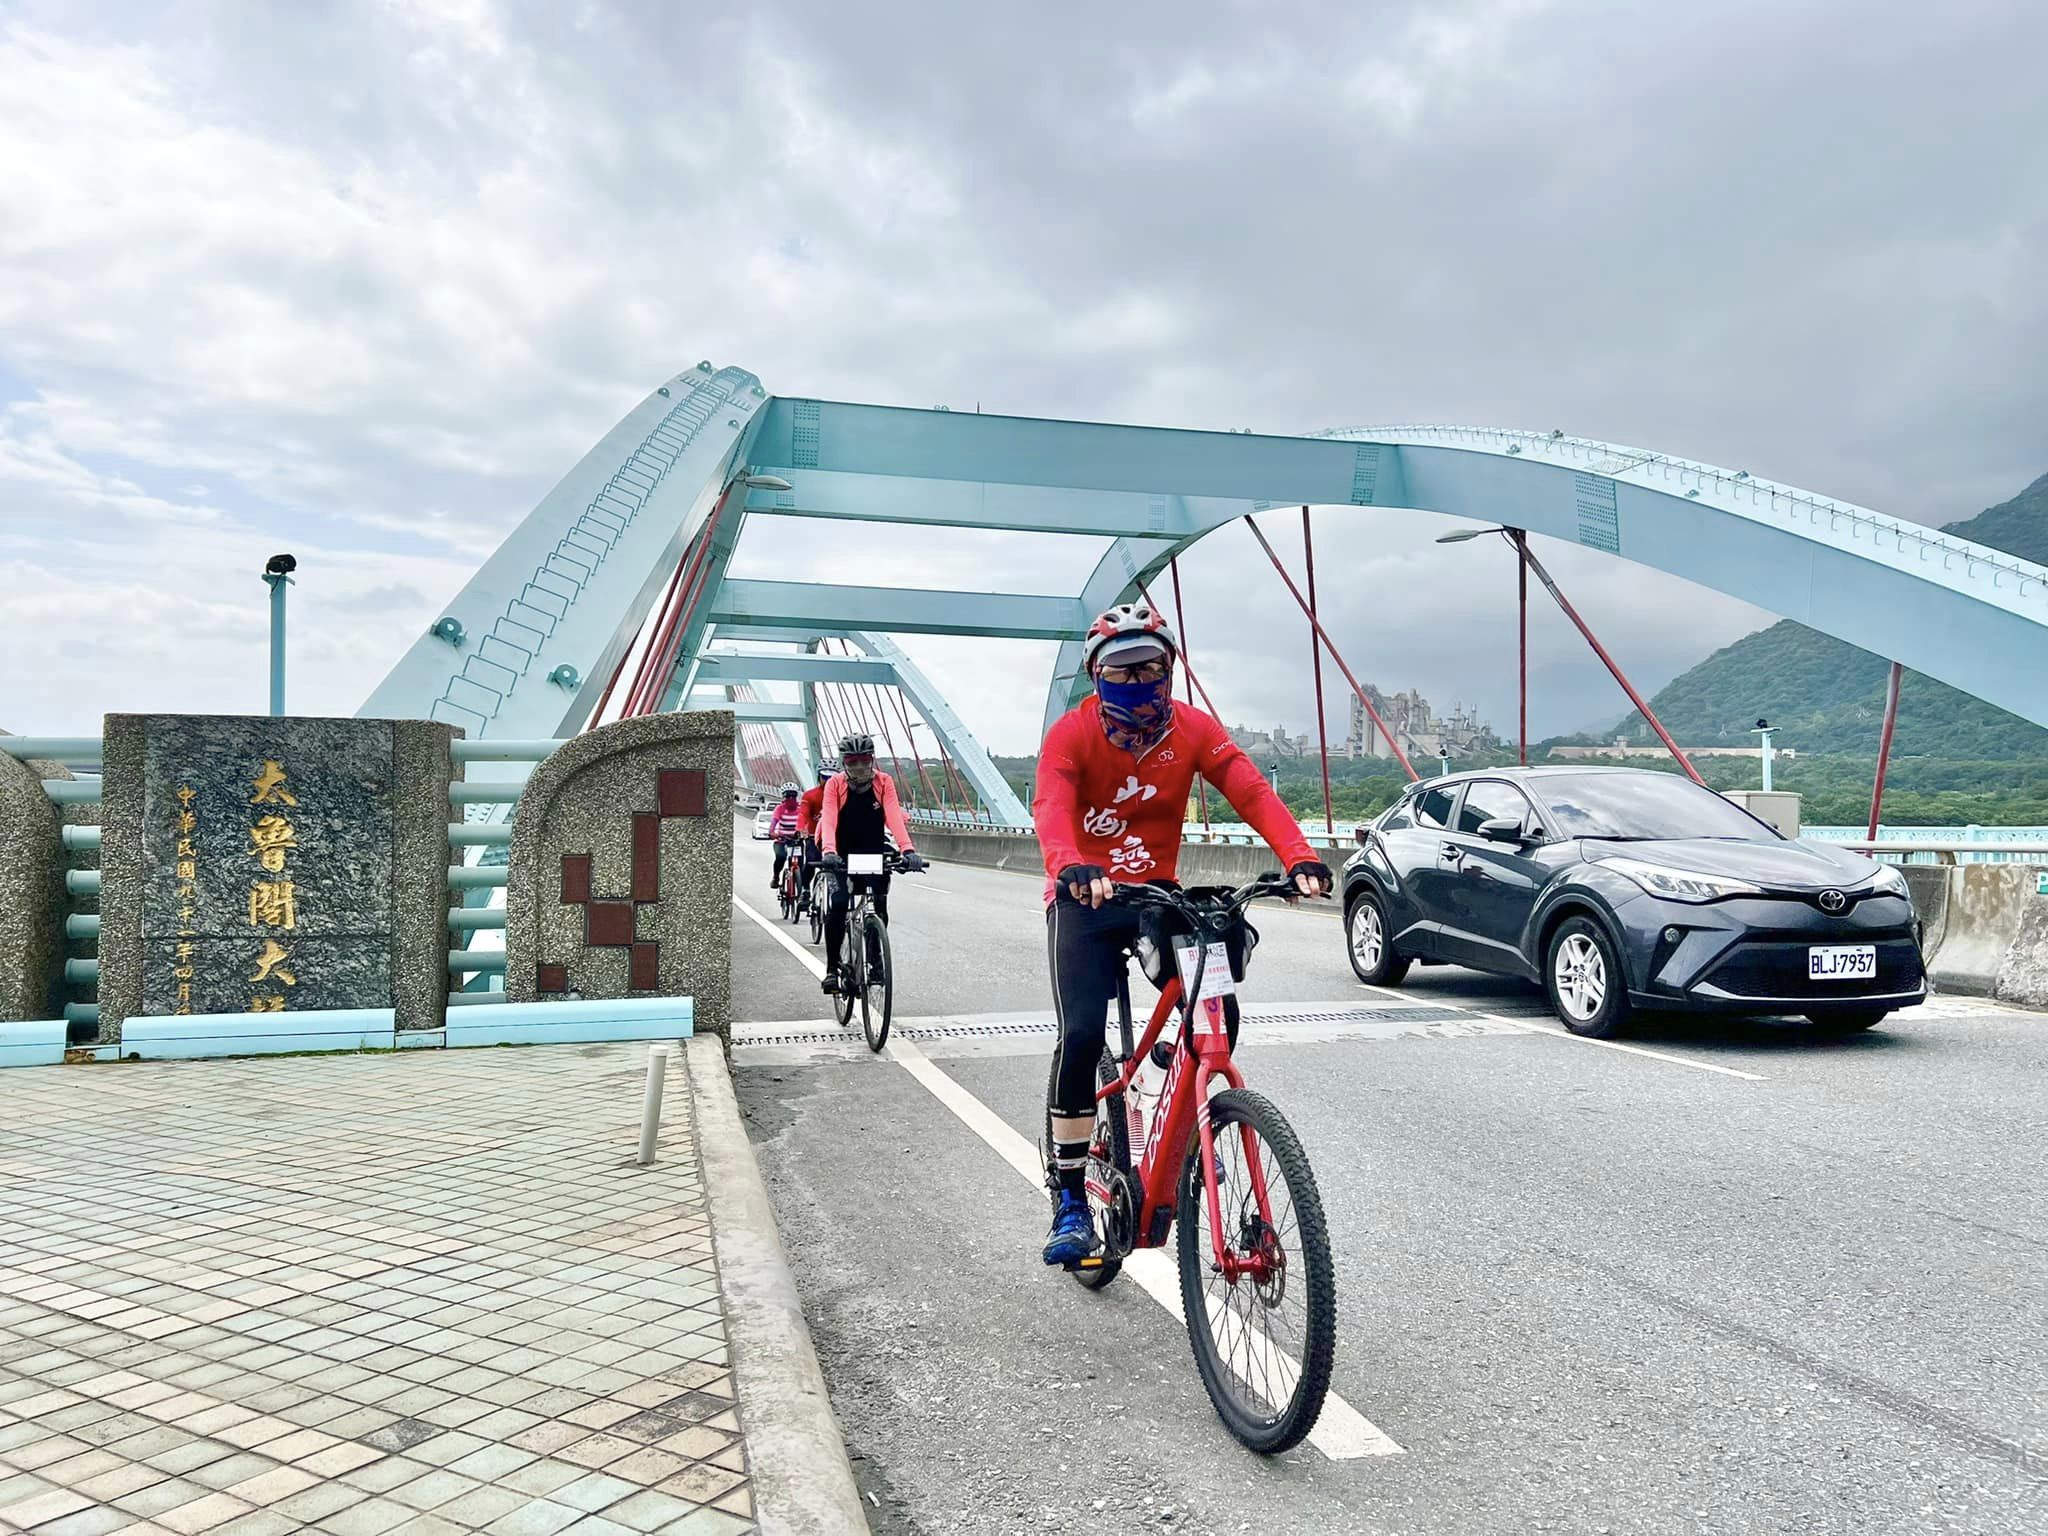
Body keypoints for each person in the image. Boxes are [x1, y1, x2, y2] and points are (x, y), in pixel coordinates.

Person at [1033, 601, 1331, 1267]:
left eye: (1151, 669)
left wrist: (1299, 854)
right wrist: (1070, 865)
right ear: (1095, 676)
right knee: (1082, 1034)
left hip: (1153, 899)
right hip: (1083, 897)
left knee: (1213, 1008)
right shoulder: (1071, 735)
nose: (1137, 683)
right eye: (1121, 671)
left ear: (1169, 670)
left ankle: (1184, 1105)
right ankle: (1071, 1195)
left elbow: (1250, 791)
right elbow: (1051, 807)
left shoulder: (1193, 729)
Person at [817, 733, 927, 994]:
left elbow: (893, 815)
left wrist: (908, 850)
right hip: (841, 851)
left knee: (879, 903)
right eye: (852, 761)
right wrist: (829, 851)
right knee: (840, 903)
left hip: (873, 848)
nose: (859, 767)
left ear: (872, 760)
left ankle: (876, 959)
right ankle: (832, 969)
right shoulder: (835, 784)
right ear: (844, 762)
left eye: (864, 760)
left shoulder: (884, 782)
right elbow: (830, 818)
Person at [794, 762, 836, 912]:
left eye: (831, 778)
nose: (828, 781)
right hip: (814, 837)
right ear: (819, 777)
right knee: (811, 862)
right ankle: (805, 890)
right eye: (825, 777)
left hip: (835, 838)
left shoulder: (842, 795)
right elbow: (803, 814)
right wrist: (800, 829)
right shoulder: (811, 795)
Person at [767, 783, 803, 891]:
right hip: (782, 840)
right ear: (783, 797)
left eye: (793, 796)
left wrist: (804, 832)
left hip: (796, 839)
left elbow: (805, 823)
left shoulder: (801, 809)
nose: (791, 799)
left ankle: (800, 885)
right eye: (788, 796)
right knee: (780, 856)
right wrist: (772, 833)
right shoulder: (780, 809)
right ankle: (776, 877)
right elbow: (773, 823)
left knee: (801, 863)